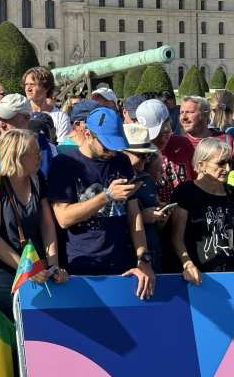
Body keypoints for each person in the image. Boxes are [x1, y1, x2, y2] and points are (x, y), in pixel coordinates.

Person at [47, 107, 155, 299]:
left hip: (123, 266)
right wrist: (106, 196)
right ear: (88, 134)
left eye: (116, 147)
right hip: (81, 268)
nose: (111, 153)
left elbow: (133, 213)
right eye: (106, 146)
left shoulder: (121, 161)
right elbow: (63, 218)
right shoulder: (64, 164)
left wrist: (143, 258)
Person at [0, 129, 68, 318]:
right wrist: (26, 269)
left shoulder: (38, 179)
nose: (40, 157)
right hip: (2, 272)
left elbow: (47, 225)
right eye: (35, 153)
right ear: (18, 155)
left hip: (36, 268)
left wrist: (53, 264)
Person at [171, 138, 234, 282]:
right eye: (221, 163)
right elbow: (176, 238)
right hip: (201, 275)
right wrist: (187, 264)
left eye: (229, 162)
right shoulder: (185, 192)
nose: (228, 169)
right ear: (201, 165)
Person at [122, 123, 166, 272]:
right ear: (122, 152)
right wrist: (142, 216)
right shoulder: (111, 180)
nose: (144, 160)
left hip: (152, 255)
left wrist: (161, 216)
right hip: (128, 259)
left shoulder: (146, 179)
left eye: (147, 155)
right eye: (140, 155)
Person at [136, 99, 195, 204]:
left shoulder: (183, 144)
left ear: (170, 122)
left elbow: (196, 178)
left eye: (166, 131)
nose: (162, 139)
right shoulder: (137, 153)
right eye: (155, 136)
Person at [179, 96, 234, 173]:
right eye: (181, 112)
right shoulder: (178, 145)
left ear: (205, 115)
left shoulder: (226, 141)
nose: (183, 117)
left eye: (189, 112)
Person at [23, 67, 71, 139]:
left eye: (32, 84)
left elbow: (62, 147)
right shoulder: (20, 113)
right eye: (26, 84)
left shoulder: (60, 117)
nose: (28, 89)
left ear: (46, 88)